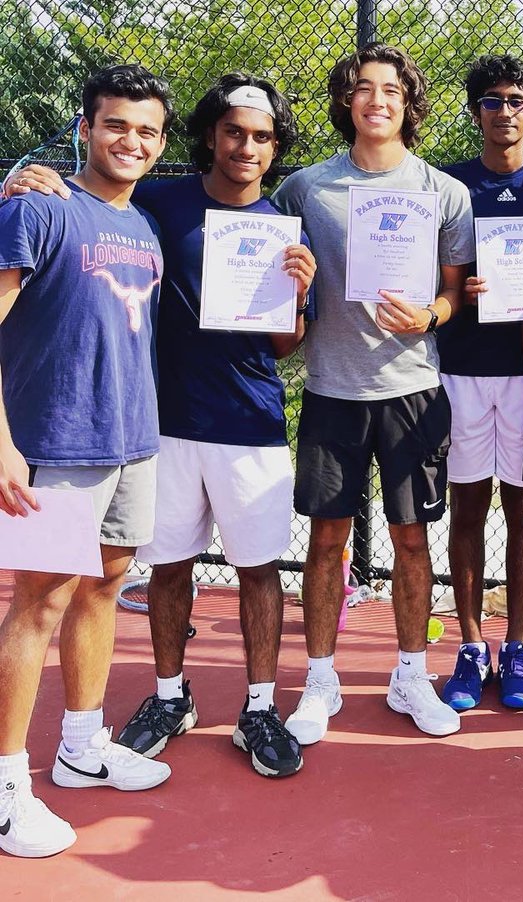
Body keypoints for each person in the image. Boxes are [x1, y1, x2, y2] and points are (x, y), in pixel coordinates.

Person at [5, 75, 318, 779]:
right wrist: (24, 179)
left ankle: (256, 708)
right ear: (210, 135)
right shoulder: (151, 201)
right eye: (233, 130)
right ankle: (168, 699)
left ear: (274, 148)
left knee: (239, 572)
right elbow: (72, 212)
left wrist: (295, 299)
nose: (245, 146)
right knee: (134, 576)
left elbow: (281, 346)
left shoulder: (276, 231)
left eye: (262, 136)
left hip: (229, 425)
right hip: (146, 427)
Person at [272, 43, 473, 741]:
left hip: (413, 388)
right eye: (363, 88)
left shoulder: (444, 192)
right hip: (331, 386)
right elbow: (264, 263)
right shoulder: (303, 188)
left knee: (412, 539)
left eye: (391, 89)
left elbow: (453, 291)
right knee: (325, 541)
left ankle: (410, 675)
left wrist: (431, 315)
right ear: (347, 101)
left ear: (408, 103)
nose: (377, 99)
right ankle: (319, 680)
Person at [0, 64, 174, 858]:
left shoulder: (143, 228)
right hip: (57, 443)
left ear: (160, 142)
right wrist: (1, 442)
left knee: (106, 584)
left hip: (133, 440)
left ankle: (81, 746)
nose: (129, 141)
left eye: (145, 130)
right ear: (83, 128)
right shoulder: (38, 206)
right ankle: (6, 789)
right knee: (38, 605)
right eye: (115, 125)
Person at [436, 55, 523, 712]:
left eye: (516, 101)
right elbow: (421, 276)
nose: (503, 111)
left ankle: (516, 644)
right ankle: (470, 644)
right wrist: (455, 290)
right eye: (491, 101)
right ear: (475, 113)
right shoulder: (450, 187)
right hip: (462, 368)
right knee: (466, 507)